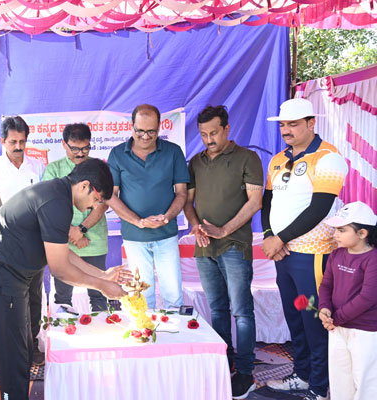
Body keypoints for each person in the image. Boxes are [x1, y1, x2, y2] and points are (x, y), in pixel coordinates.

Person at [0, 158, 131, 400]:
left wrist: (102, 274)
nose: (94, 207)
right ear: (85, 186)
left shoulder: (58, 195)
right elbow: (60, 269)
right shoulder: (56, 201)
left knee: (22, 351)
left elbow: (62, 251)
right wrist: (102, 286)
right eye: (97, 200)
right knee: (12, 359)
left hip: (12, 279)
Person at [261, 98, 348, 400]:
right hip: (283, 254)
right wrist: (270, 235)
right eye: (283, 124)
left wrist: (280, 239)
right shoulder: (277, 159)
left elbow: (319, 208)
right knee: (295, 318)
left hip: (312, 254)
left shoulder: (328, 157)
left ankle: (320, 387)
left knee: (315, 321)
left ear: (311, 123)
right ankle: (302, 375)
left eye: (293, 124)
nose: (286, 130)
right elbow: (268, 202)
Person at [183, 106, 263, 399]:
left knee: (242, 311)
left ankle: (245, 372)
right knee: (216, 309)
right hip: (204, 248)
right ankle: (223, 363)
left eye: (214, 133)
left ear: (227, 129)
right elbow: (187, 202)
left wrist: (224, 230)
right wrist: (196, 226)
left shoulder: (247, 158)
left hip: (235, 247)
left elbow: (255, 202)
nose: (209, 139)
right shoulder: (196, 162)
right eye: (204, 134)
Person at [107, 104, 189, 309]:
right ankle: (144, 330)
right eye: (140, 131)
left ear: (160, 127)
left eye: (151, 131)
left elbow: (182, 193)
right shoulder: (117, 154)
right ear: (131, 126)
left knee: (174, 297)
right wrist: (139, 222)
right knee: (141, 299)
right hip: (134, 237)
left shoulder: (173, 152)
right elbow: (111, 196)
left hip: (166, 234)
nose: (145, 136)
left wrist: (167, 217)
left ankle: (176, 330)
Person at [0, 116, 47, 365]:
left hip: (33, 243)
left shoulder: (37, 167)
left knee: (34, 297)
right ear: (2, 141)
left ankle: (32, 345)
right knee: (8, 298)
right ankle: (11, 350)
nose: (18, 147)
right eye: (13, 142)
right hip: (5, 243)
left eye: (22, 141)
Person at [43, 123, 109, 312]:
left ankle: (102, 329)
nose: (80, 154)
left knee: (99, 293)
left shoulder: (99, 168)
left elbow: (103, 202)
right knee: (63, 297)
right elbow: (51, 208)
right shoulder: (54, 169)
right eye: (75, 149)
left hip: (94, 241)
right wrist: (71, 234)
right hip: (64, 242)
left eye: (85, 148)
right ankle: (65, 329)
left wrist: (81, 230)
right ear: (64, 144)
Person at [318, 202, 377, 400]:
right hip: (337, 327)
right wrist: (324, 309)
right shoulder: (336, 254)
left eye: (342, 230)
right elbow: (326, 285)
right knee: (339, 378)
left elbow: (367, 297)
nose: (335, 234)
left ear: (362, 233)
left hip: (365, 330)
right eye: (336, 229)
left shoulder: (373, 259)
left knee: (365, 381)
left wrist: (336, 318)